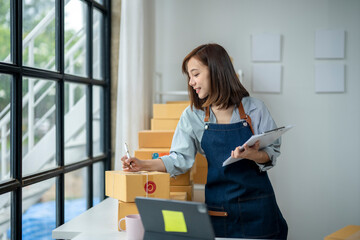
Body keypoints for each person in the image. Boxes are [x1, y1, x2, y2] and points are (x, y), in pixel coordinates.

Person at [121, 43, 288, 239]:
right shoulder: (193, 115)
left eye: (195, 74)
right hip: (219, 210)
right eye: (189, 77)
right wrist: (143, 164)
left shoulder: (255, 109)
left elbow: (271, 154)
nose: (191, 82)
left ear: (216, 71)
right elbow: (179, 159)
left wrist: (253, 155)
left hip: (259, 210)